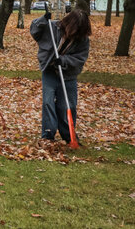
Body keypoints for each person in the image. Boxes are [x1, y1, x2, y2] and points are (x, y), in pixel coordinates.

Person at [30, 8, 91, 143]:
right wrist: (42, 20)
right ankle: (48, 134)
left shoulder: (83, 39)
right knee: (48, 102)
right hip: (49, 72)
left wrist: (63, 60)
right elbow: (34, 32)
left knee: (67, 106)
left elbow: (80, 59)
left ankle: (69, 135)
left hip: (68, 76)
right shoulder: (52, 27)